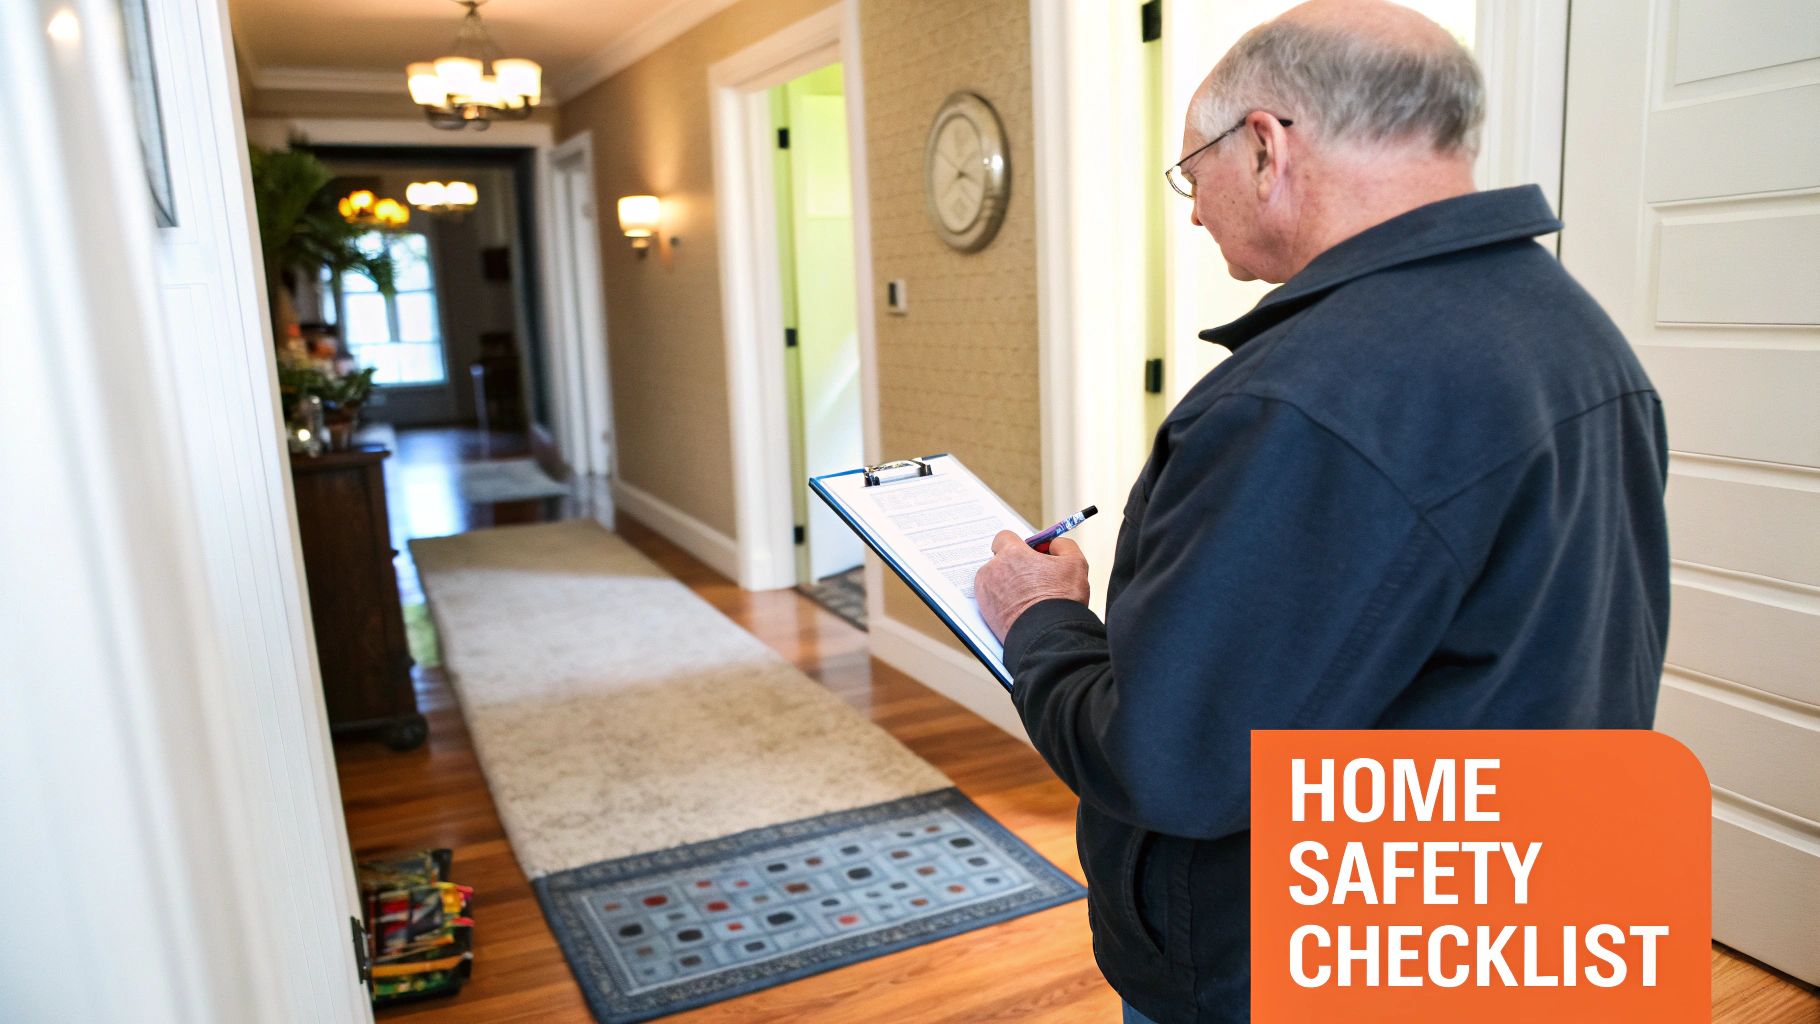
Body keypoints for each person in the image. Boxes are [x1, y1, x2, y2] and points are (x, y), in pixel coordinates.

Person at [971, 2, 1670, 1022]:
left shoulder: (1302, 400)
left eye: (1191, 173)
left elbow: (1168, 763)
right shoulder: (1578, 337)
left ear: (1262, 146)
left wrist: (1038, 616)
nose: (1196, 210)